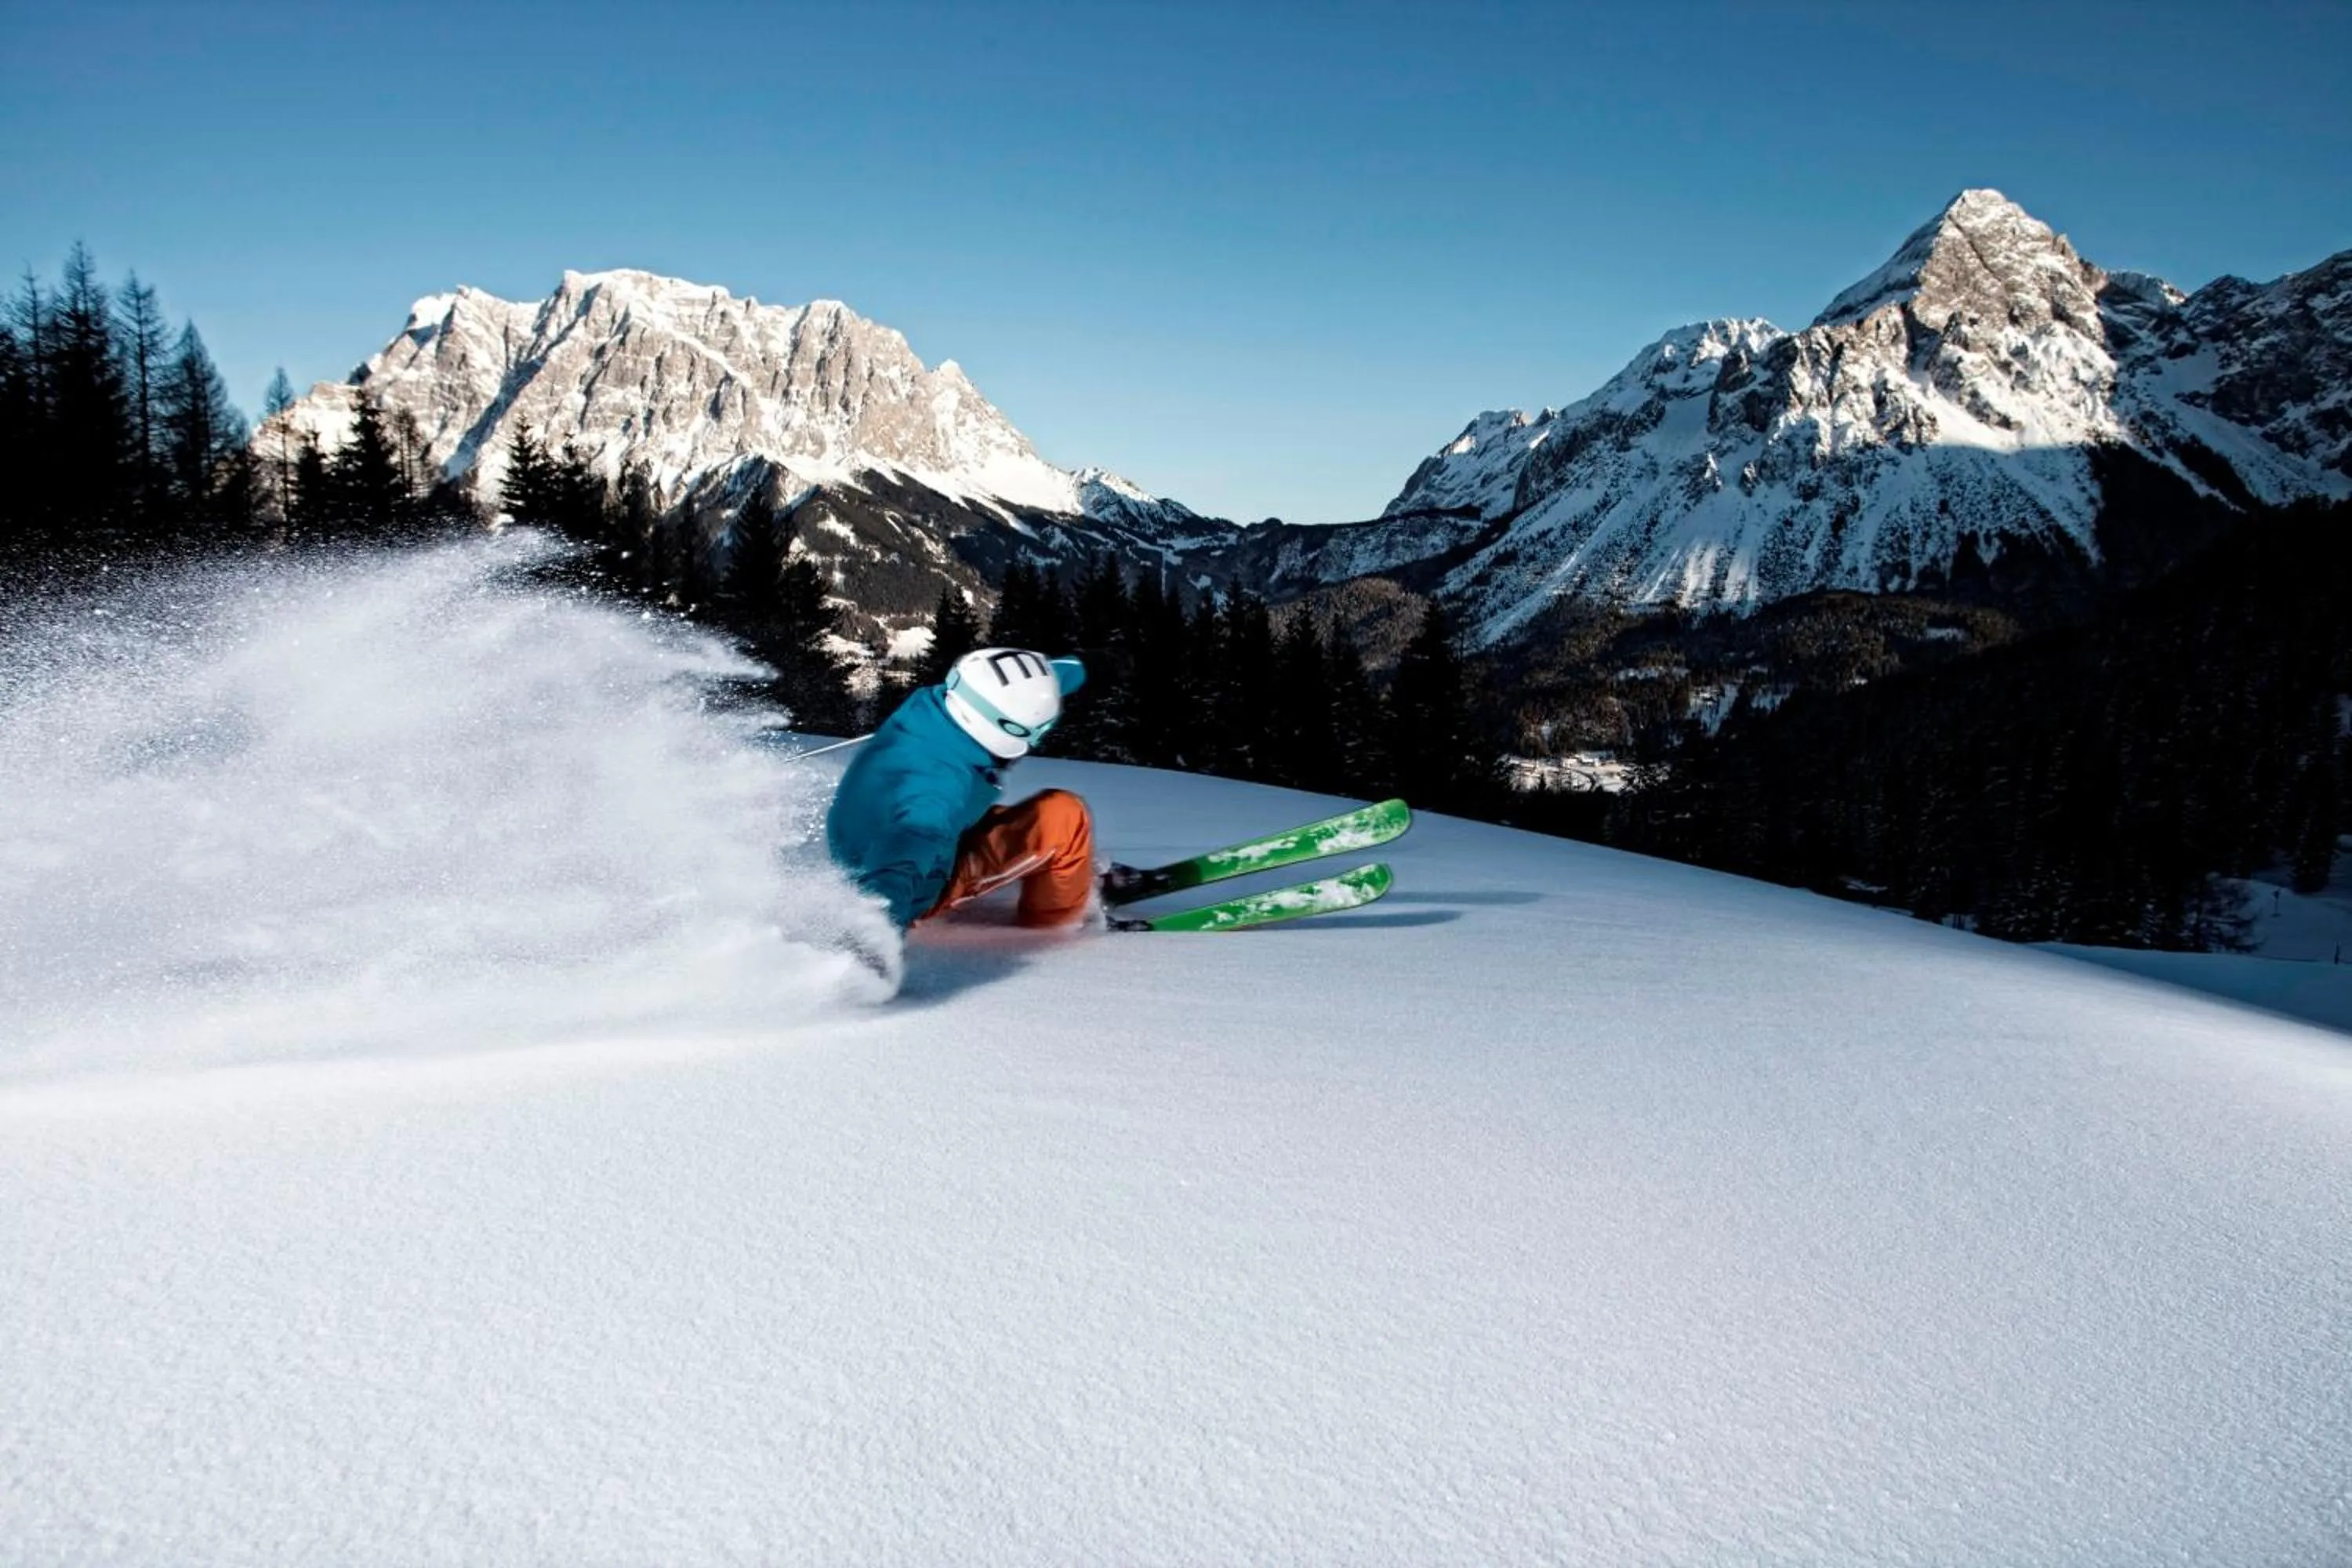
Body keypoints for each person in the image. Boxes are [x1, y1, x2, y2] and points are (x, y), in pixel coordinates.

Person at [826, 646, 1098, 971]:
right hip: (917, 882)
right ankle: (1056, 923)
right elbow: (898, 863)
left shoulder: (941, 705)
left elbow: (1024, 682)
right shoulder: (934, 797)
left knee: (997, 820)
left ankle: (1054, 873)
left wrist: (1087, 665)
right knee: (1063, 817)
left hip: (873, 838)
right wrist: (869, 950)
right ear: (1008, 733)